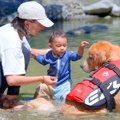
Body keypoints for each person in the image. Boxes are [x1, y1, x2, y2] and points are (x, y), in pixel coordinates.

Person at [0, 1, 57, 109]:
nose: (44, 27)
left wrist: (57, 51)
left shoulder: (15, 30)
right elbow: (12, 80)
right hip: (11, 78)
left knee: (25, 52)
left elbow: (31, 52)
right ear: (27, 23)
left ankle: (8, 99)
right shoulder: (12, 42)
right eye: (41, 23)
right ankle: (10, 100)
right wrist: (42, 78)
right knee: (24, 53)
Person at [31, 31, 89, 105]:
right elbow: (43, 61)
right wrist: (36, 56)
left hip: (64, 84)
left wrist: (81, 47)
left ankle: (60, 112)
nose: (62, 48)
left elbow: (78, 56)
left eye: (64, 45)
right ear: (50, 46)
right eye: (58, 46)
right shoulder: (49, 55)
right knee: (41, 88)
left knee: (62, 102)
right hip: (50, 82)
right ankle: (34, 102)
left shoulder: (67, 54)